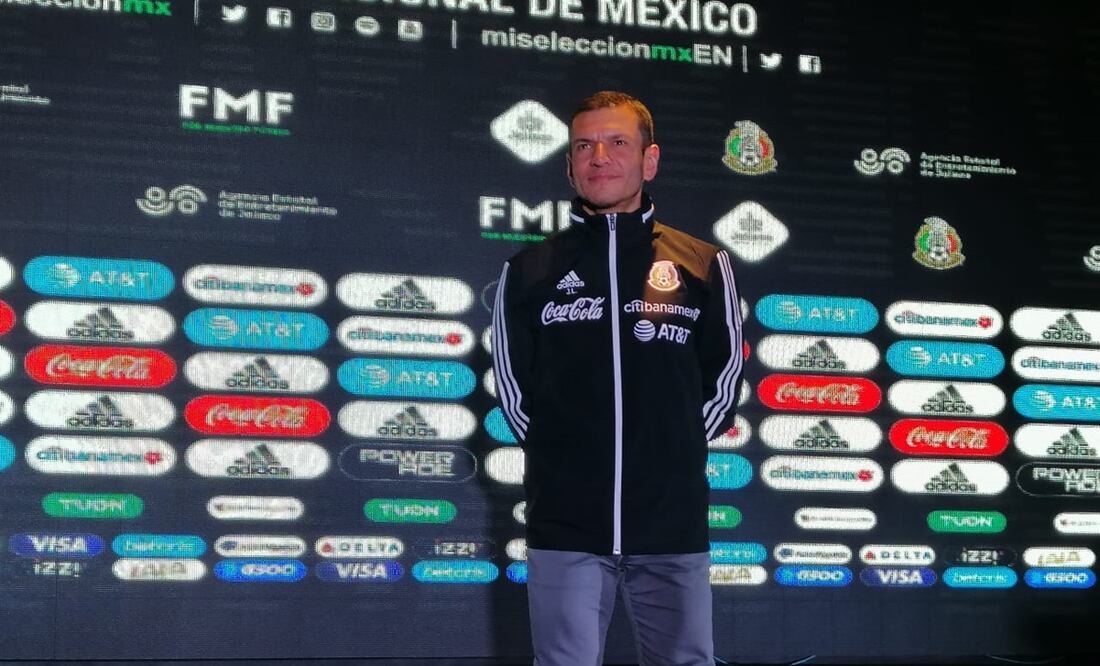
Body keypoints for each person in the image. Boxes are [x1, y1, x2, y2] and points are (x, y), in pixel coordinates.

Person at [491, 91, 745, 666]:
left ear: (649, 161)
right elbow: (514, 387)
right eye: (584, 145)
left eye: (617, 142)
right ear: (569, 164)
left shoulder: (703, 262)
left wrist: (671, 451)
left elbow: (724, 376)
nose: (599, 156)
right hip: (565, 525)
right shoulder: (528, 269)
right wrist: (567, 459)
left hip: (671, 522)